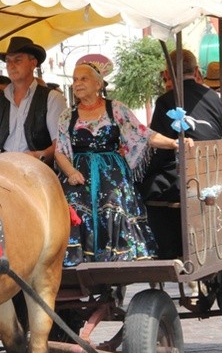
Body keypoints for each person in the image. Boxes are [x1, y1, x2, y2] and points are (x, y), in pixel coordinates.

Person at [55, 62, 192, 265]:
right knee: (72, 207)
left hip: (111, 172)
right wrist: (71, 172)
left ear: (98, 84)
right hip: (79, 174)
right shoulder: (67, 115)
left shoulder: (116, 109)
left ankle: (114, 260)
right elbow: (60, 151)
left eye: (83, 79)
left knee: (114, 203)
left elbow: (144, 134)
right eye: (75, 80)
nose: (77, 84)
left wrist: (173, 143)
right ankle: (76, 260)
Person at [138, 49, 222, 261]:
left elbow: (160, 145)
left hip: (184, 174)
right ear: (196, 71)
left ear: (168, 74)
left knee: (146, 189)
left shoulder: (166, 100)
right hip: (214, 170)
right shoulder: (215, 98)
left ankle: (167, 249)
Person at [0, 36, 66, 162]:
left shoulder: (52, 98)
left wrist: (39, 155)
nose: (11, 66)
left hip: (39, 169)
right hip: (3, 167)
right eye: (8, 61)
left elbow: (61, 144)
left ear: (33, 63)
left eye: (17, 60)